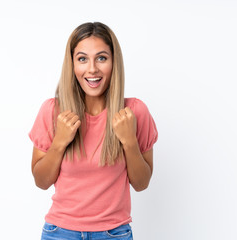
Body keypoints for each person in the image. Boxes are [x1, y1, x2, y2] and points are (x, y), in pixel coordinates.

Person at [29, 22, 158, 240]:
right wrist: (60, 142)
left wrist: (129, 142)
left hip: (114, 233)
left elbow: (141, 183)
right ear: (72, 64)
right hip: (59, 233)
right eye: (82, 59)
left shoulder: (134, 112)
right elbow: (41, 182)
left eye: (101, 58)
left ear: (114, 62)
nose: (92, 69)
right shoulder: (52, 111)